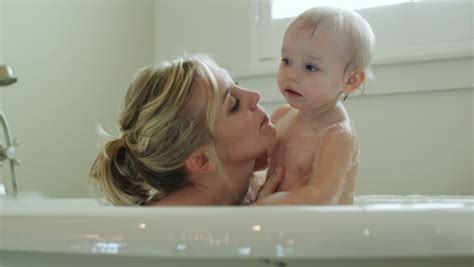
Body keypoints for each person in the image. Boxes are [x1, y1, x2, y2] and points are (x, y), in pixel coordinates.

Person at [90, 54, 283, 206]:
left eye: (237, 85)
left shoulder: (248, 195)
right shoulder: (163, 230)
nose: (255, 95)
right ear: (202, 159)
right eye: (233, 104)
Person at [262, 6, 375, 205]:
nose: (291, 74)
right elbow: (256, 170)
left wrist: (261, 207)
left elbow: (322, 196)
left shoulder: (338, 135)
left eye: (310, 67)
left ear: (351, 80)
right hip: (282, 227)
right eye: (286, 61)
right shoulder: (280, 116)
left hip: (325, 232)